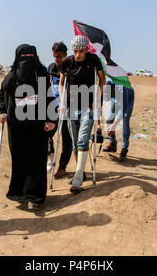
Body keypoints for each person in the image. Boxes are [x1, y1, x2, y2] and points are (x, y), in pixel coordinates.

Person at [0, 44, 56, 210]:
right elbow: (2, 95)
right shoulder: (11, 75)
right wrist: (2, 111)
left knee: (36, 159)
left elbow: (49, 96)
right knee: (19, 159)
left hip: (37, 126)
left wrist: (50, 119)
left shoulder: (40, 74)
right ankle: (20, 193)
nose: (26, 60)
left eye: (30, 56)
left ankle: (35, 197)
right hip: (16, 127)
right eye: (24, 56)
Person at [60, 35, 105, 194]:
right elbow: (61, 83)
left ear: (86, 49)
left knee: (82, 139)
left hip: (88, 107)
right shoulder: (67, 62)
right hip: (71, 107)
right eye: (75, 51)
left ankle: (78, 178)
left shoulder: (93, 60)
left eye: (81, 51)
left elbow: (102, 79)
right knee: (75, 142)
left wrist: (97, 98)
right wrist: (63, 101)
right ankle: (81, 171)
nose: (78, 54)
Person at [47, 42, 73, 179]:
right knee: (47, 134)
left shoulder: (71, 68)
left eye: (59, 56)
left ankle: (62, 167)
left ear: (65, 55)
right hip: (53, 108)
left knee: (67, 139)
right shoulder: (50, 68)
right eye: (54, 56)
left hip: (67, 109)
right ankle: (50, 157)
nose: (57, 59)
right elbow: (45, 86)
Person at [103, 77, 135, 162]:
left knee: (125, 120)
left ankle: (124, 148)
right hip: (115, 98)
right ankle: (112, 144)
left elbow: (122, 111)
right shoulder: (105, 84)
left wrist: (114, 126)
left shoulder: (122, 88)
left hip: (128, 97)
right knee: (108, 119)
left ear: (113, 89)